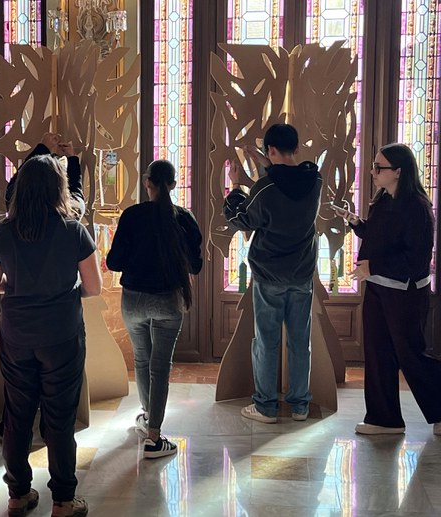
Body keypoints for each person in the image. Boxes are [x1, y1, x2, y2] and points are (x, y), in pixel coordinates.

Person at [0, 154, 101, 517]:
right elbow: (94, 287)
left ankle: (18, 494)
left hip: (16, 334)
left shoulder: (2, 232)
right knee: (60, 418)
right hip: (62, 335)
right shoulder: (73, 231)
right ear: (58, 188)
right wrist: (63, 291)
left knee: (17, 415)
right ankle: (63, 501)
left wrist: (16, 288)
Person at [332, 143, 441, 436]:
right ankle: (384, 419)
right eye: (373, 166)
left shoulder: (417, 207)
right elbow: (378, 236)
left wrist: (374, 265)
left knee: (410, 355)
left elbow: (415, 260)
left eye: (379, 167)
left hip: (406, 294)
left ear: (398, 172)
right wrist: (356, 222)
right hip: (379, 288)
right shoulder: (382, 200)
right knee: (378, 353)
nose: (373, 172)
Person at [223, 123, 322, 424]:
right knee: (300, 342)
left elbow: (242, 219)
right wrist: (267, 162)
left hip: (269, 275)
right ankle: (300, 406)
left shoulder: (264, 189)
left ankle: (266, 407)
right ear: (297, 148)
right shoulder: (314, 179)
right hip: (302, 273)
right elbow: (290, 178)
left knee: (266, 341)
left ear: (271, 150)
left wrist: (235, 187)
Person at [106, 159, 203, 459]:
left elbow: (114, 262)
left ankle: (148, 416)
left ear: (147, 182)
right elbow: (196, 266)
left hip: (133, 300)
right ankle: (154, 437)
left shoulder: (132, 216)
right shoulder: (184, 219)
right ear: (172, 184)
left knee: (141, 359)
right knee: (160, 366)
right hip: (168, 300)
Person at [0, 131, 86, 445]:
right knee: (59, 407)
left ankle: (15, 471)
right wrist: (72, 160)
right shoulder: (72, 223)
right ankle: (58, 466)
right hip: (60, 328)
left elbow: (14, 189)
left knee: (18, 404)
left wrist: (41, 149)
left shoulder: (7, 228)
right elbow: (77, 197)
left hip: (17, 328)